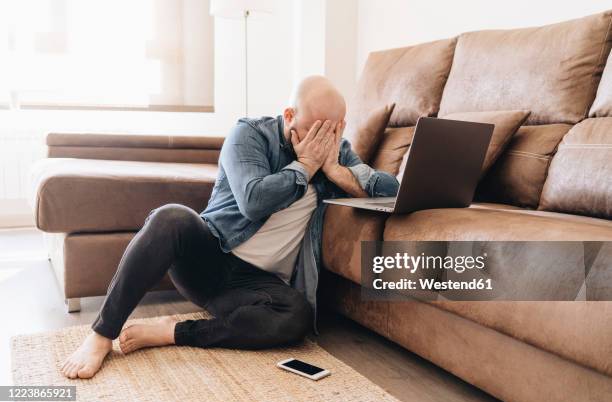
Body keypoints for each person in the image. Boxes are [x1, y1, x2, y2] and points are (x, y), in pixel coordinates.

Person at [60, 75, 399, 379]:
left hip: (255, 285)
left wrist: (337, 171)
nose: (320, 141)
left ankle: (173, 332)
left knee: (296, 316)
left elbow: (392, 190)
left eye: (331, 131)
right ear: (289, 116)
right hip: (210, 257)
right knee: (170, 216)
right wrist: (305, 166)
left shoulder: (336, 153)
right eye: (313, 130)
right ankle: (101, 335)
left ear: (341, 126)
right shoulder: (250, 134)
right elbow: (254, 201)